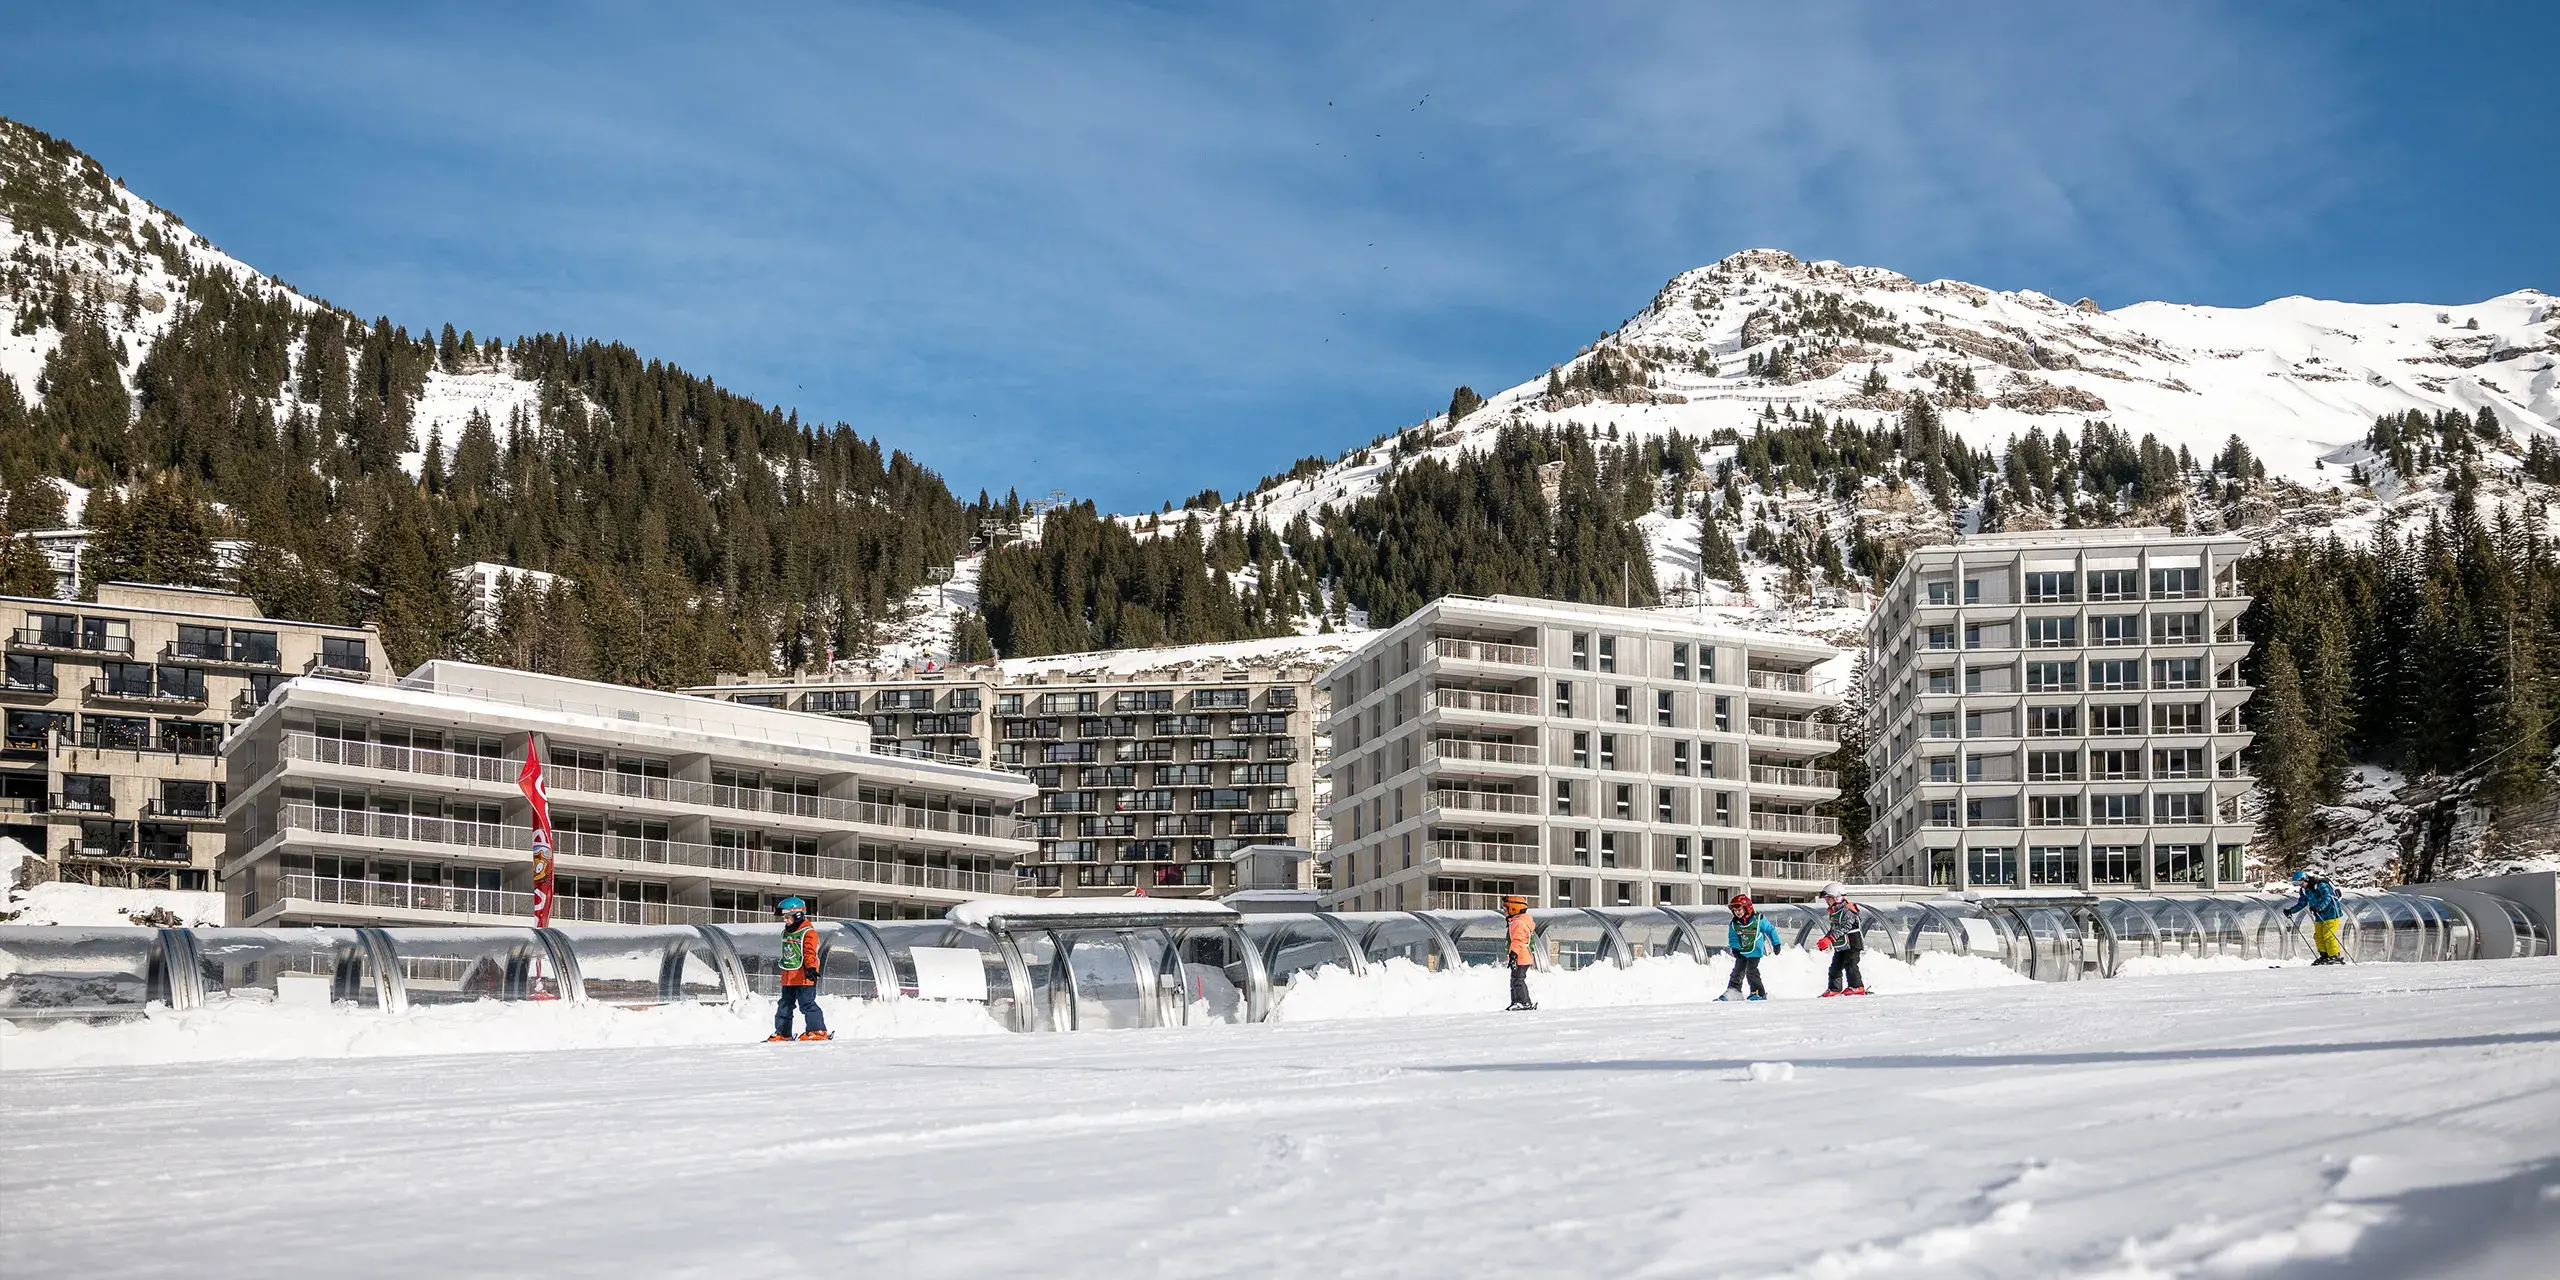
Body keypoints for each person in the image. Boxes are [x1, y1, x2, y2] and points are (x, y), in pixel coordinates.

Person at [768, 897, 832, 1042]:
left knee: (807, 1004)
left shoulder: (808, 932)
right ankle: (783, 1033)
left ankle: (818, 1030)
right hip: (789, 976)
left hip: (804, 976)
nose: (785, 920)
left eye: (787, 917)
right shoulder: (786, 932)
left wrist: (811, 968)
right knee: (784, 1005)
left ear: (797, 915)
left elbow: (810, 952)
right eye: (784, 917)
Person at [1721, 892, 1781, 1001]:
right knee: (1737, 971)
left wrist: (1776, 943)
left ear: (1747, 908)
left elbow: (1770, 930)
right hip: (1742, 951)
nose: (1737, 913)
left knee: (1751, 971)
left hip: (1755, 951)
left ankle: (1758, 992)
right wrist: (1735, 948)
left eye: (1739, 909)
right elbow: (1733, 937)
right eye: (1735, 911)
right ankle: (1734, 991)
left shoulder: (1758, 920)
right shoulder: (1735, 924)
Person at [1815, 881, 1868, 996]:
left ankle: (1857, 986)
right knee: (1835, 966)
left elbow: (1845, 926)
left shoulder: (1848, 910)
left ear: (1836, 897)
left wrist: (1830, 938)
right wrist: (1826, 939)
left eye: (1828, 899)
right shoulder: (1835, 911)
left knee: (1851, 964)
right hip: (1842, 944)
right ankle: (1834, 988)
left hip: (1853, 942)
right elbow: (1835, 928)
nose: (1826, 901)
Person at [2284, 870, 2347, 965]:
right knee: (2318, 936)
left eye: (2300, 883)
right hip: (2318, 915)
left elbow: (2327, 898)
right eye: (2297, 884)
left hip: (2332, 913)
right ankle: (2324, 955)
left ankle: (2334, 955)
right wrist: (2291, 911)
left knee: (2328, 935)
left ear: (2305, 879)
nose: (2299, 886)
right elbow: (2302, 903)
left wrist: (2318, 907)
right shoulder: (2304, 890)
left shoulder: (2320, 885)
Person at [1502, 895, 1537, 1011]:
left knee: (1518, 980)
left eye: (1505, 909)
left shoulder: (1518, 923)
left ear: (1513, 909)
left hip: (1521, 956)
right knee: (1514, 979)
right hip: (1521, 956)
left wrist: (1513, 955)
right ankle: (1516, 1001)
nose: (1504, 912)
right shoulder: (1516, 921)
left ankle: (1524, 1002)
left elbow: (1518, 940)